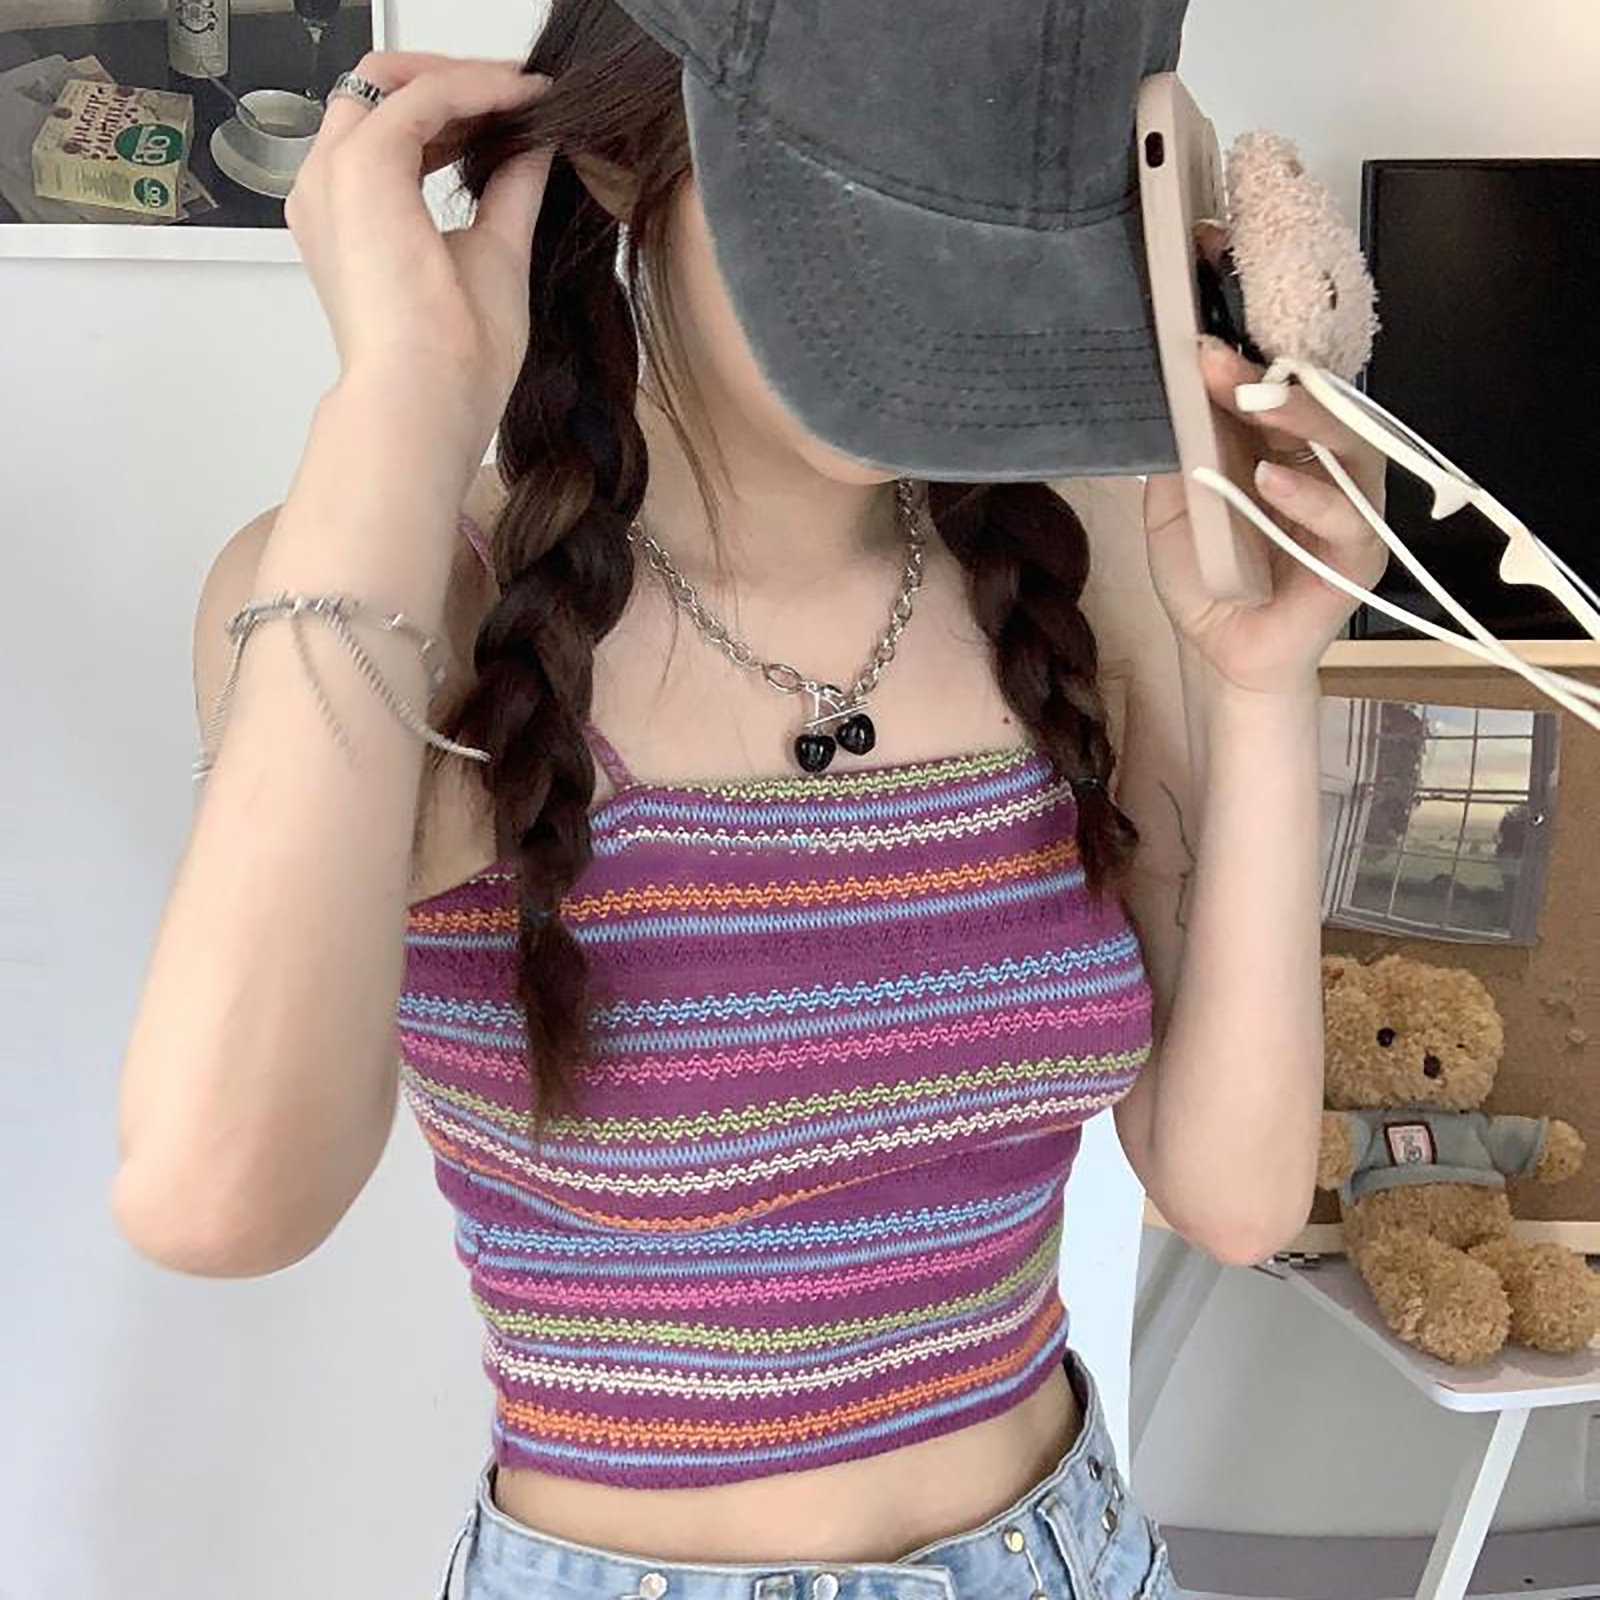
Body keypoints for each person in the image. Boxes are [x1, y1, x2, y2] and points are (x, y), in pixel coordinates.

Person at [112, 3, 1387, 1597]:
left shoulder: (1083, 561)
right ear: (618, 154)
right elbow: (220, 1196)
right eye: (882, 191)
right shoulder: (408, 596)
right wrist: (397, 407)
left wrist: (1265, 685)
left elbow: (1237, 1197)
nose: (952, 287)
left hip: (1067, 1551)